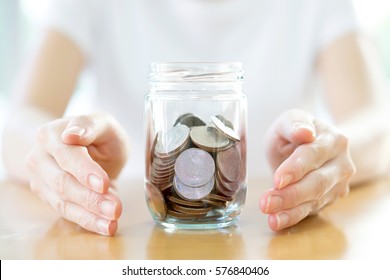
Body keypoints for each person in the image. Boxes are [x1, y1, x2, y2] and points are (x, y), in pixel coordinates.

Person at [2, 0, 389, 236]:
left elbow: (376, 123)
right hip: (136, 231)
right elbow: (17, 121)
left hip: (264, 236)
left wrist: (322, 150)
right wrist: (64, 148)